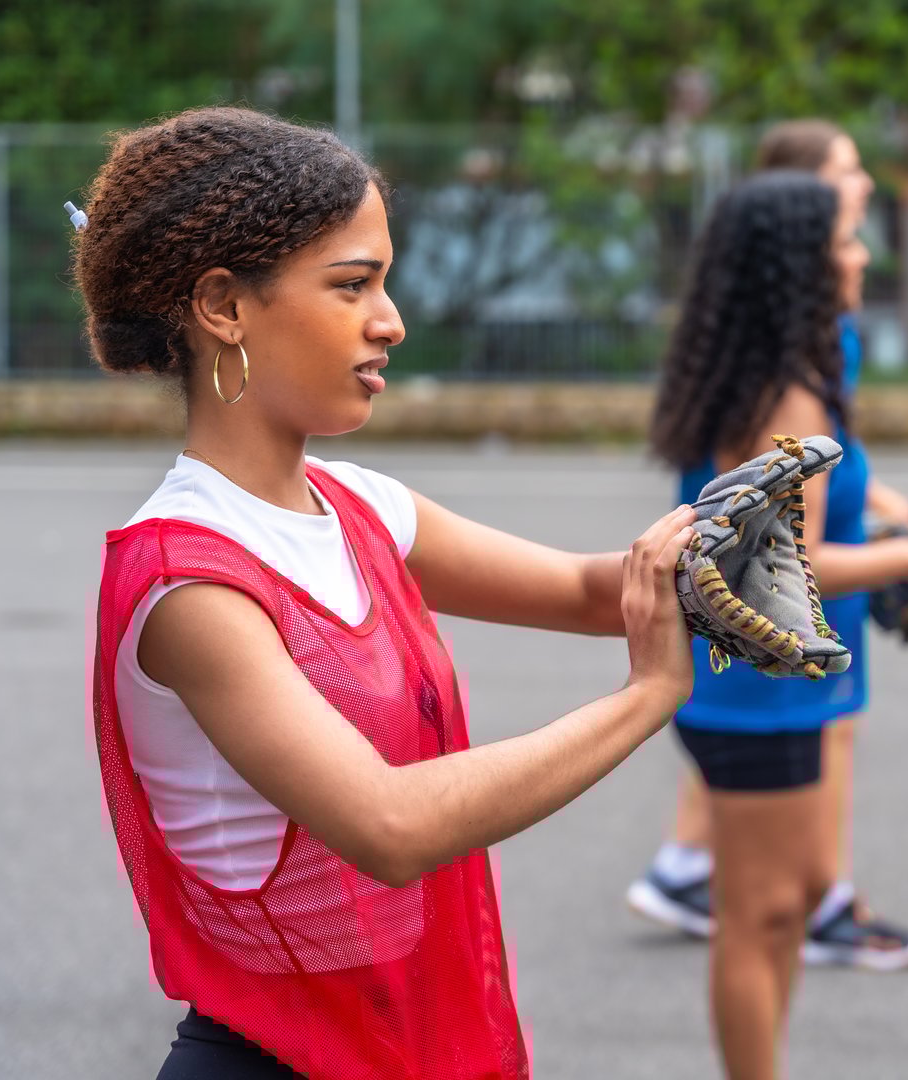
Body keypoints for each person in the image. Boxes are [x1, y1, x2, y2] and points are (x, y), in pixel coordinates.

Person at [77, 106, 697, 1079]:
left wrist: (724, 545)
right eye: (352, 284)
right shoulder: (188, 579)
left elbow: (594, 589)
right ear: (224, 307)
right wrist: (646, 698)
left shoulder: (359, 504)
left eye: (385, 281)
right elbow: (391, 827)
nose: (391, 320)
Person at [642, 171, 908, 1080]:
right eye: (849, 240)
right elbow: (786, 566)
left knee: (790, 901)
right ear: (802, 269)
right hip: (756, 691)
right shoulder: (787, 399)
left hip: (778, 682)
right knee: (762, 913)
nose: (863, 255)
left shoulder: (784, 376)